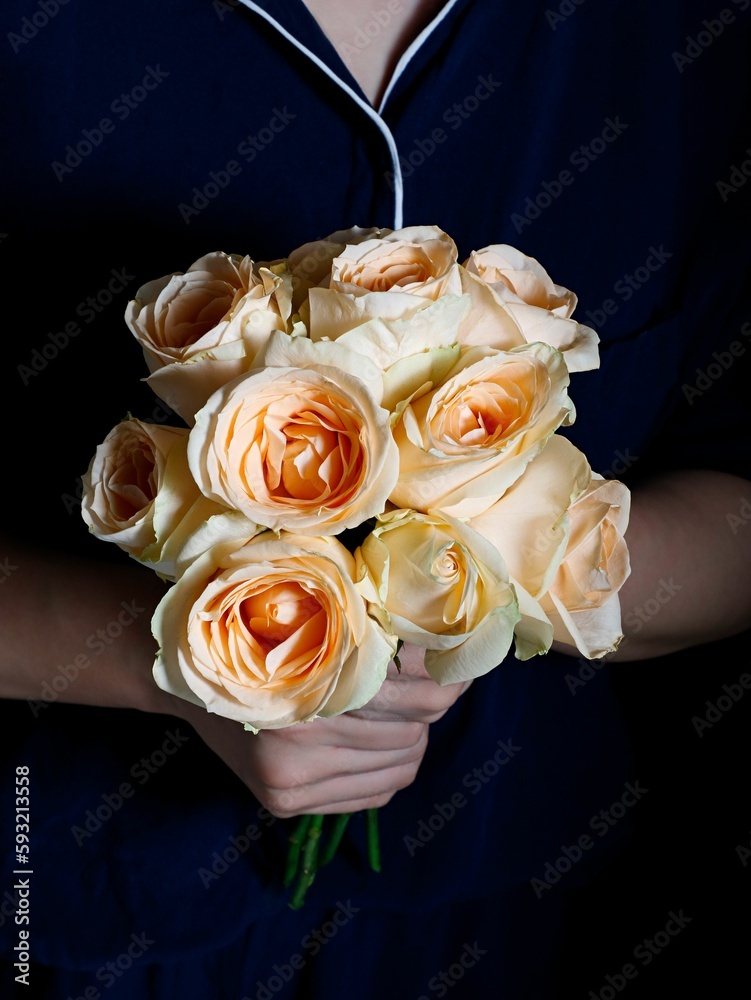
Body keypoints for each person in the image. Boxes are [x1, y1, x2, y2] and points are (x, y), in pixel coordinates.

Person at [2, 1, 750, 996]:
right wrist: (189, 654)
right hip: (74, 904)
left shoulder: (684, 42)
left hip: (515, 914)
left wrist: (483, 567)